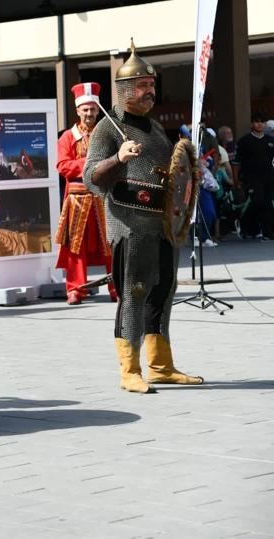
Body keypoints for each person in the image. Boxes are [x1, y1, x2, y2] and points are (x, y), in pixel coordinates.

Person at [83, 40, 203, 394]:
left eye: (152, 86)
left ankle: (161, 365)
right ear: (124, 90)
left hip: (163, 223)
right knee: (134, 293)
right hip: (130, 223)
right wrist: (118, 158)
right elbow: (91, 178)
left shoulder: (154, 129)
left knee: (164, 291)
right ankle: (130, 369)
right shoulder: (108, 129)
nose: (150, 92)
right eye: (143, 86)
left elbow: (170, 171)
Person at [55, 82, 115, 305]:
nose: (89, 114)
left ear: (99, 110)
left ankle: (115, 288)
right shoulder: (67, 138)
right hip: (76, 199)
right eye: (85, 110)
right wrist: (91, 165)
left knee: (111, 244)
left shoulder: (107, 135)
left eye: (93, 109)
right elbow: (62, 166)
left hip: (103, 196)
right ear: (78, 110)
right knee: (75, 246)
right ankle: (75, 290)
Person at [234, 114, 274, 240]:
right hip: (251, 178)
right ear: (252, 124)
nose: (259, 124)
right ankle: (244, 222)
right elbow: (236, 163)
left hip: (268, 177)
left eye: (262, 122)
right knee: (258, 202)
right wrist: (236, 181)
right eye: (256, 122)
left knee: (267, 204)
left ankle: (266, 232)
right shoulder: (244, 141)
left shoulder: (270, 141)